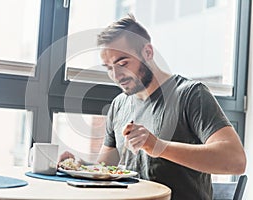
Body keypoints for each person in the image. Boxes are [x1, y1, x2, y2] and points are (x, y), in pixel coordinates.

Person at [59, 14, 246, 199]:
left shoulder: (191, 94)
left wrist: (157, 146)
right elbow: (106, 166)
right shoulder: (119, 105)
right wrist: (78, 166)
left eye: (122, 63)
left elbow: (235, 160)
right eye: (108, 68)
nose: (116, 75)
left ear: (147, 52)